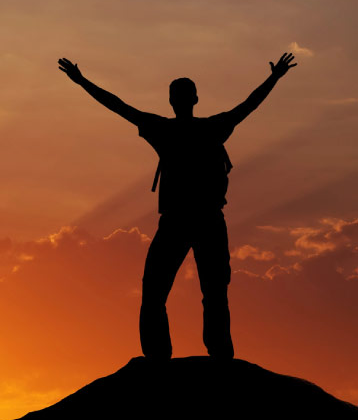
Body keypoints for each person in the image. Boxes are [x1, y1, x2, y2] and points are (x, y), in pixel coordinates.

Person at [57, 52, 297, 360]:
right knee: (210, 293)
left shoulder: (165, 130)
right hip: (205, 220)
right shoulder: (212, 127)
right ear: (195, 99)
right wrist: (274, 78)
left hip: (179, 221)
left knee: (160, 291)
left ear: (172, 101)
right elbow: (249, 105)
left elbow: (119, 106)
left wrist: (82, 82)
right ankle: (217, 355)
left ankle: (162, 357)